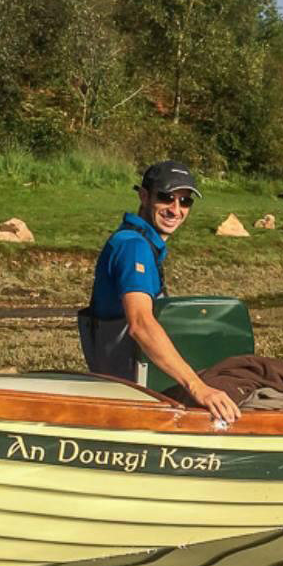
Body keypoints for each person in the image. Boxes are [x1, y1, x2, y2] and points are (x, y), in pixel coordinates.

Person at [78, 160, 240, 423]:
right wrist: (197, 387)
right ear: (144, 196)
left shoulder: (142, 242)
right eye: (166, 198)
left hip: (140, 382)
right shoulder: (133, 247)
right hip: (132, 392)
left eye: (185, 201)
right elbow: (140, 324)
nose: (176, 210)